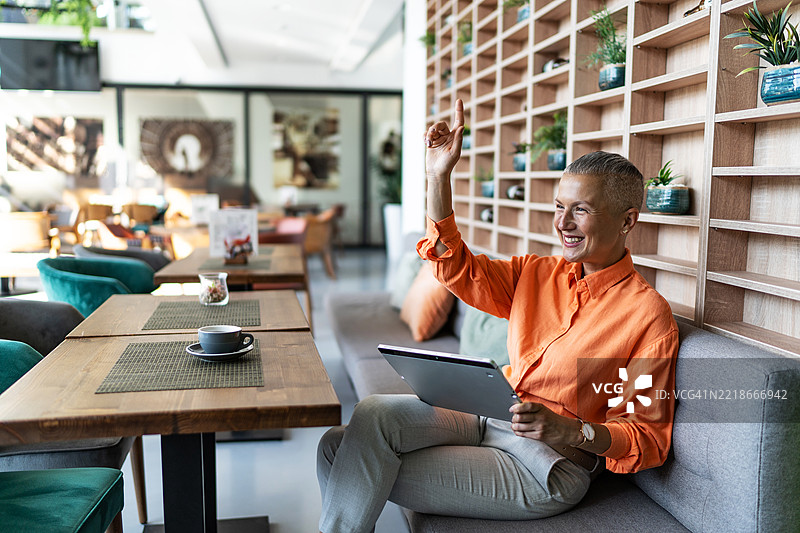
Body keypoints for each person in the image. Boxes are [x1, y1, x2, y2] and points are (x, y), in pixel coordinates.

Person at [316, 99, 679, 533]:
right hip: (488, 414)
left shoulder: (647, 316)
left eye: (581, 210)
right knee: (358, 425)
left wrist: (571, 430)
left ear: (627, 221)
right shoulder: (536, 273)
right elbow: (455, 267)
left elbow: (646, 437)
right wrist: (438, 177)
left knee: (344, 456)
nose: (563, 223)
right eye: (559, 207)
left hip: (548, 464)